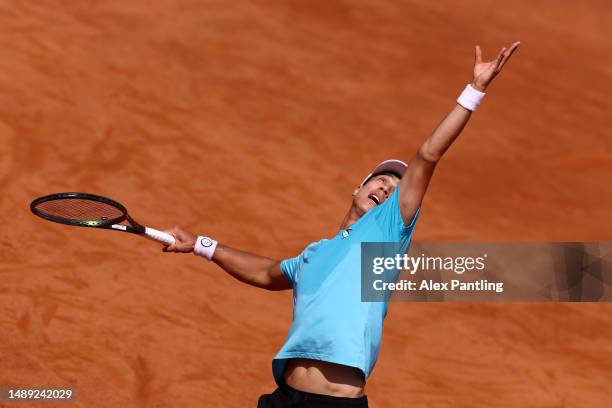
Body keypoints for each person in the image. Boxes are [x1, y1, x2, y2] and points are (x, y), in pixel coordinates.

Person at [163, 42, 520, 407]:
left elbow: (428, 155)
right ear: (358, 187)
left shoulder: (388, 231)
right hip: (284, 398)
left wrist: (474, 90)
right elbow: (269, 273)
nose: (386, 187)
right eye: (380, 179)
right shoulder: (316, 252)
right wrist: (202, 246)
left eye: (396, 188)